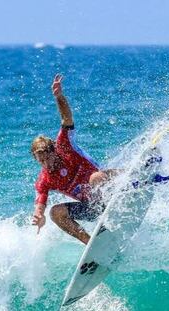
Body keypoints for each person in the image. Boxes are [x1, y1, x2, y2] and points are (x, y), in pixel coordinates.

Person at [31, 74, 116, 244]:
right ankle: (91, 243)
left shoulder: (64, 145)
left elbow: (66, 118)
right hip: (93, 207)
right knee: (55, 213)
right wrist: (39, 215)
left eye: (48, 158)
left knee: (95, 178)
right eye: (41, 162)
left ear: (54, 151)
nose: (46, 164)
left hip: (111, 191)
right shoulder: (44, 180)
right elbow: (40, 201)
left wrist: (59, 97)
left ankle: (137, 176)